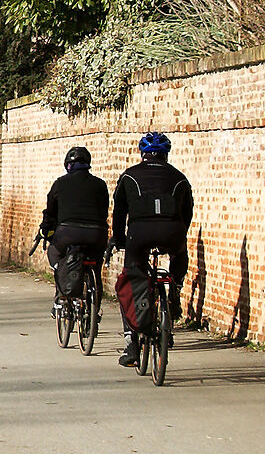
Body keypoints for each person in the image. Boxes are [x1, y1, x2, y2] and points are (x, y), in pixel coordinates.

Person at [111, 131, 194, 367]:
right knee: (179, 253)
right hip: (172, 232)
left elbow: (119, 212)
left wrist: (119, 239)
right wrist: (178, 234)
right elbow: (187, 211)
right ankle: (175, 286)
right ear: (166, 155)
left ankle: (131, 343)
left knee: (129, 280)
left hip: (139, 235)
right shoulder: (179, 178)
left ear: (142, 154)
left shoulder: (129, 176)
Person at [38, 145, 109, 310]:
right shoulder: (100, 184)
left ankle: (62, 296)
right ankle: (94, 310)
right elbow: (103, 210)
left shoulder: (60, 183)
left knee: (55, 253)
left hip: (67, 233)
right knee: (95, 267)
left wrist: (47, 230)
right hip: (96, 233)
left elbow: (50, 212)